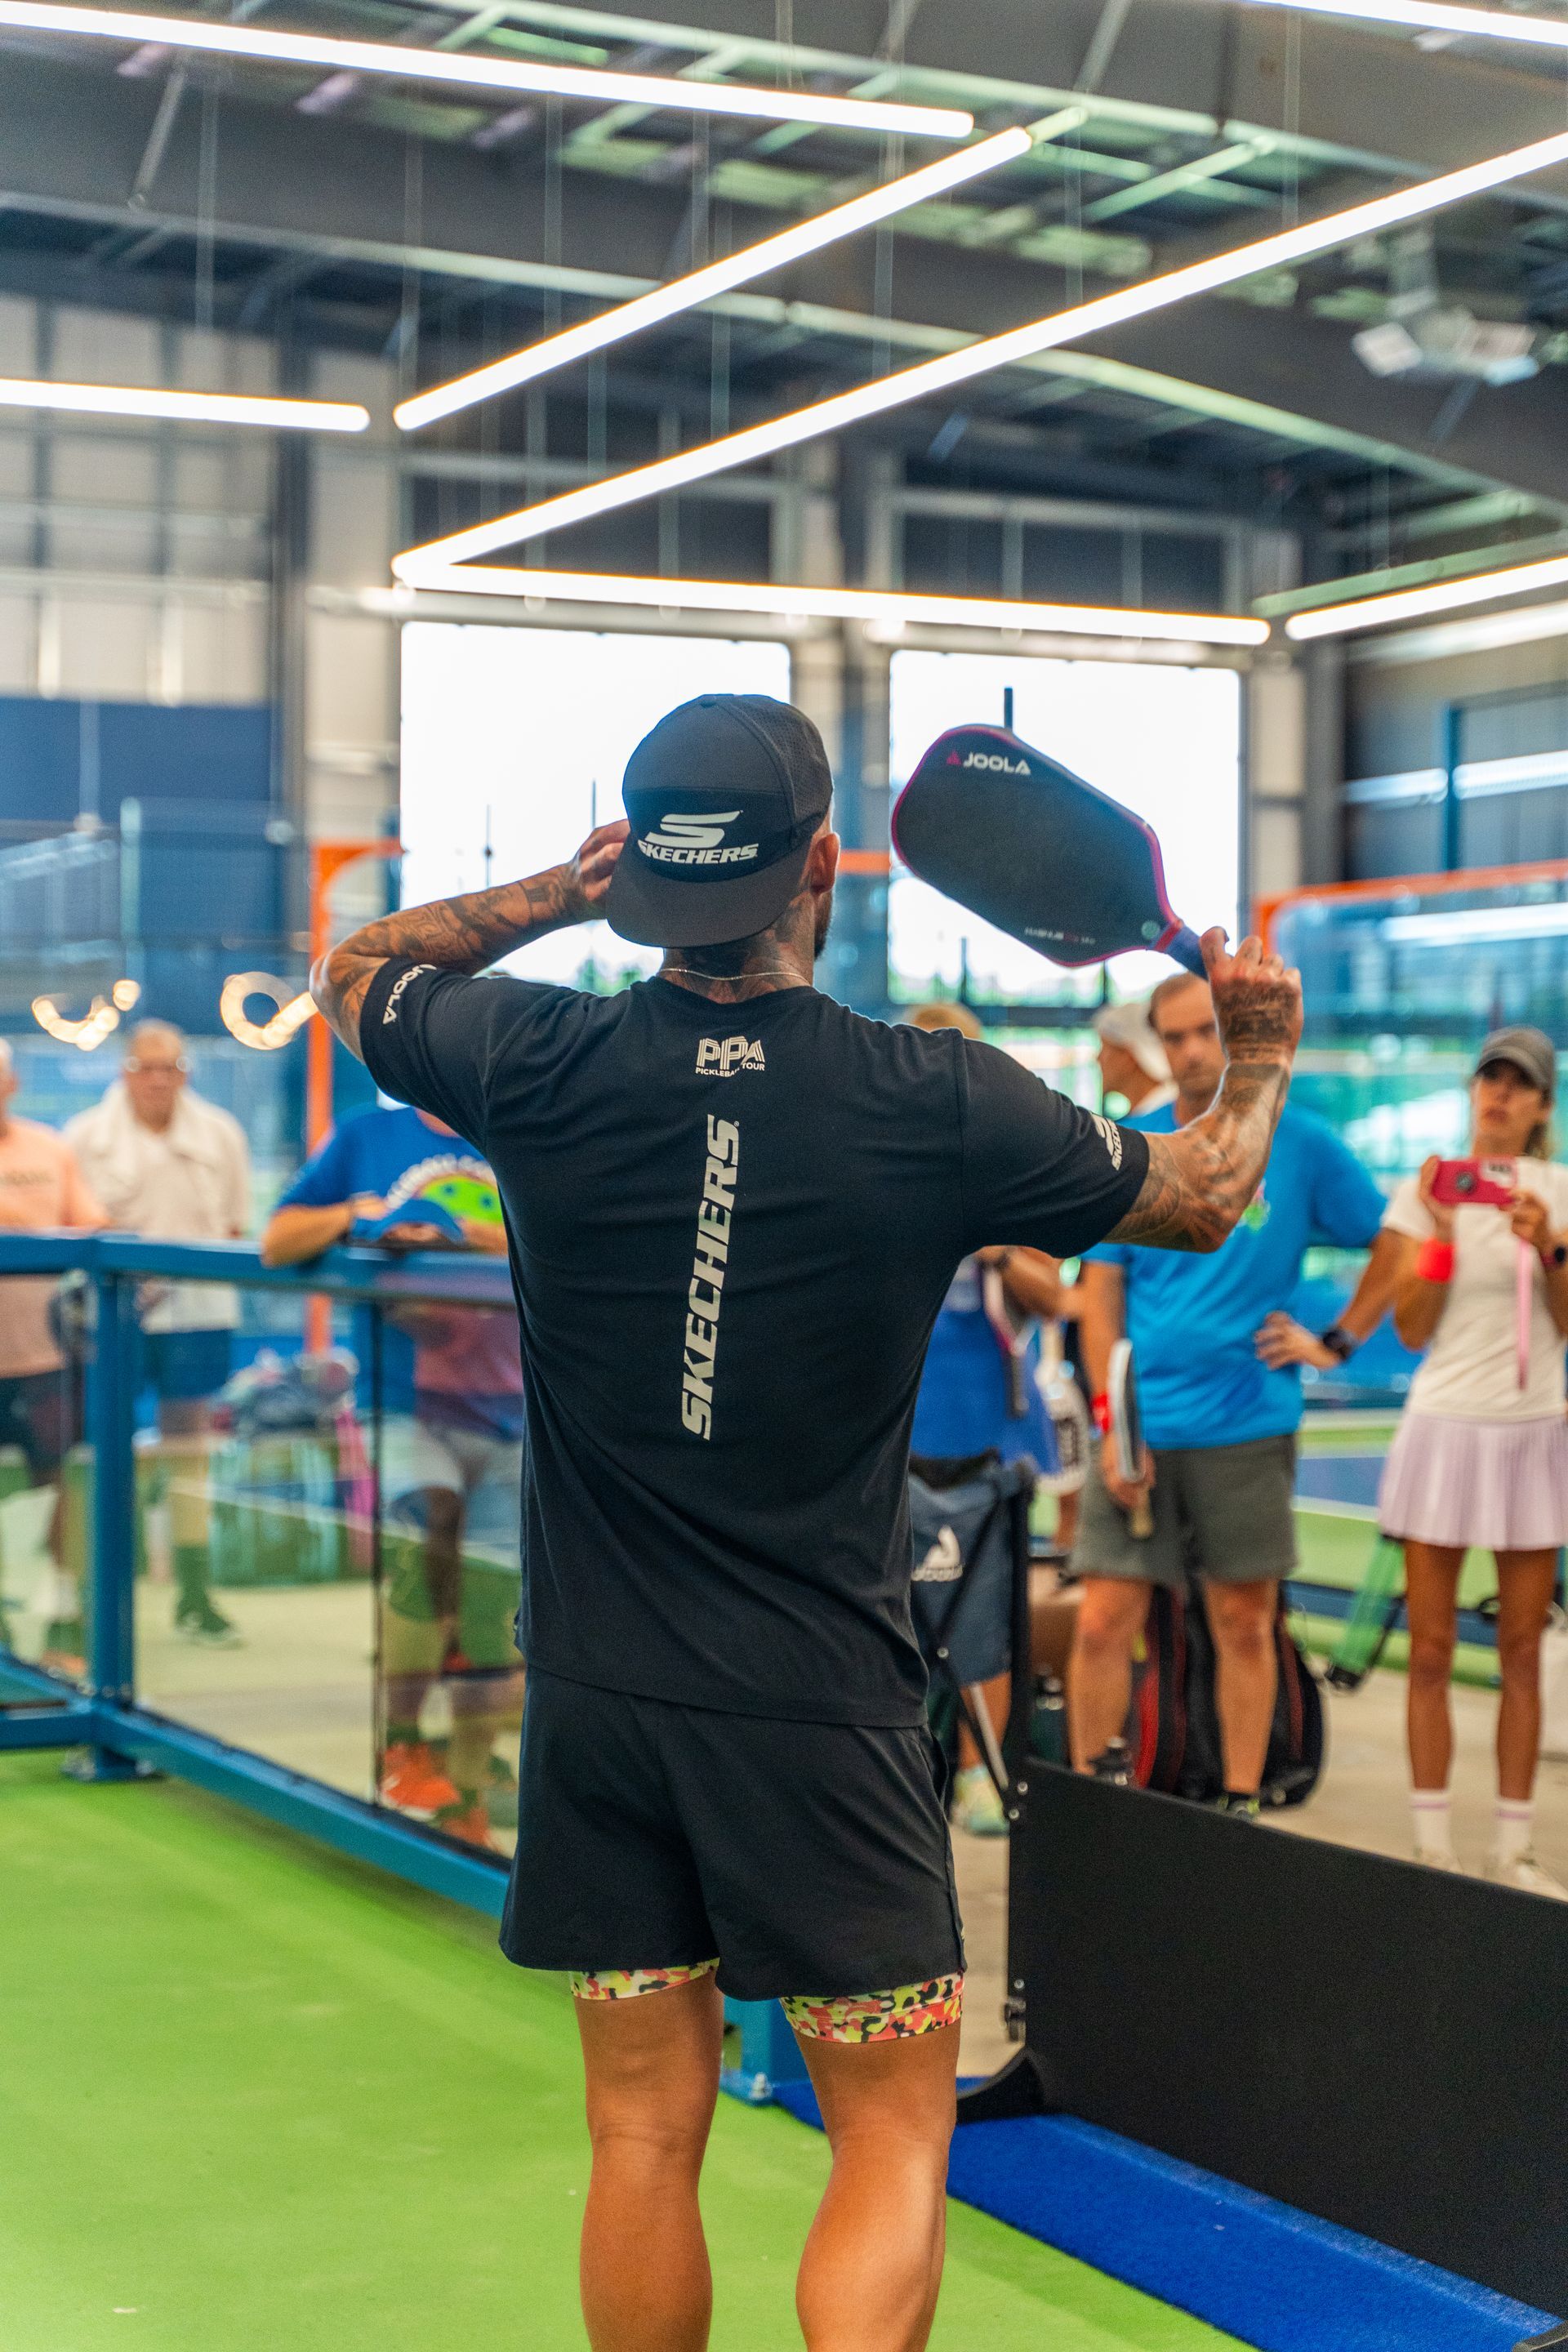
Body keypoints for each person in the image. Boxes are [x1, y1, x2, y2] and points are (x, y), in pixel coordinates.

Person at [308, 688, 1303, 2352]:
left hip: (602, 1710)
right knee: (895, 2132)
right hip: (815, 1714)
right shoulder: (930, 1096)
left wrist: (568, 890)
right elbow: (1201, 1195)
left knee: (637, 2131)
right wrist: (1258, 1053)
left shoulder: (530, 1054)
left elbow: (361, 966)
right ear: (821, 865)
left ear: (648, 866)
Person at [1069, 965, 1401, 1813]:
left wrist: (1337, 1341)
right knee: (1103, 1619)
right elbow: (1100, 1295)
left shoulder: (1302, 1145)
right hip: (1142, 1431)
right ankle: (1083, 1812)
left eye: (1203, 1032)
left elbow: (1396, 1239)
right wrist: (1114, 1424)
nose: (1187, 1052)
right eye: (1172, 1036)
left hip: (1248, 1426)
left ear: (1234, 1038)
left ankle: (1244, 1805)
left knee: (1246, 1625)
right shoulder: (1132, 1145)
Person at [261, 1102, 525, 1846]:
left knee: (495, 1599)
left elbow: (578, 1243)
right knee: (430, 1531)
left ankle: (468, 1788)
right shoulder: (367, 1137)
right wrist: (362, 1217)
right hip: (408, 1400)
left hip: (515, 1405)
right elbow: (277, 1242)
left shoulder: (521, 1127)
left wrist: (457, 1234)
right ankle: (403, 1739)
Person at [1379, 1027, 1568, 1898]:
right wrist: (1446, 1231)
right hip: (1444, 1432)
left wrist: (1549, 1249)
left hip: (1534, 1431)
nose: (1499, 1094)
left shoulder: (1560, 1193)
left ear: (1539, 1108)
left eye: (1518, 1085)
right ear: (1473, 1091)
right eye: (1489, 1078)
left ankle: (1514, 1850)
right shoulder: (1425, 1192)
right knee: (1430, 1648)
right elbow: (1412, 1329)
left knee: (1522, 1651)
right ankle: (1430, 1846)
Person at [906, 1003, 1062, 1838]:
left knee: (985, 1614)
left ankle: (979, 1774)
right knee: (883, 1612)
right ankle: (898, 1768)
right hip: (889, 1434)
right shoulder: (880, 1163)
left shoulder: (1008, 1169)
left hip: (988, 1440)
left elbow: (1058, 1292)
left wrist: (993, 1239)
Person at [66, 1022, 252, 1646]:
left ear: (185, 1072)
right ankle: (96, 1595)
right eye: (145, 1068)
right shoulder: (86, 1137)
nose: (156, 1080)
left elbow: (235, 1226)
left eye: (168, 1068)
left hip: (198, 1313)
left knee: (188, 1445)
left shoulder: (220, 1132)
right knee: (102, 1446)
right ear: (125, 1071)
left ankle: (194, 1593)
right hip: (111, 1316)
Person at [0, 1038, 106, 1673]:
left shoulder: (50, 1149)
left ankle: (66, 1619)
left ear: (11, 1084)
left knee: (59, 1484)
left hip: (44, 1357)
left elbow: (93, 1228)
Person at [1094, 998, 1175, 1117]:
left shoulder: (1167, 1121)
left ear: (1128, 1057)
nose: (1098, 1059)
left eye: (1104, 1048)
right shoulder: (1145, 1118)